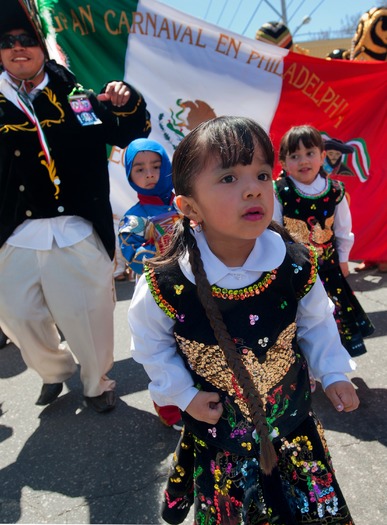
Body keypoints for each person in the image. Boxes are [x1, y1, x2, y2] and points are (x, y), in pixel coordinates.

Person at [128, 116, 359, 524]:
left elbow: (317, 323)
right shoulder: (166, 280)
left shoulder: (294, 263)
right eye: (229, 177)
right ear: (189, 206)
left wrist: (335, 371)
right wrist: (183, 396)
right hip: (221, 438)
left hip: (292, 428)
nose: (253, 187)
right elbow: (151, 344)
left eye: (262, 174)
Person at [0, 0, 151, 412]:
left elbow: (130, 133)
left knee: (90, 315)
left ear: (41, 47)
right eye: (8, 41)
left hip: (77, 227)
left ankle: (96, 382)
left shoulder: (77, 96)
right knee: (16, 315)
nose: (18, 48)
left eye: (27, 39)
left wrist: (127, 99)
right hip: (16, 232)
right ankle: (54, 370)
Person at [273, 125, 374, 357]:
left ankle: (334, 361)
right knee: (300, 318)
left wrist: (344, 260)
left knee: (333, 315)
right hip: (295, 272)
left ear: (322, 156)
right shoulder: (280, 191)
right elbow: (274, 231)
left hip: (329, 270)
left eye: (309, 153)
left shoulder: (335, 190)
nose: (303, 161)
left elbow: (342, 229)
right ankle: (306, 363)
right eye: (294, 156)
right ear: (284, 162)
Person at [118, 138, 182, 430]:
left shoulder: (186, 200)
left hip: (197, 287)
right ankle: (170, 410)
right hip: (158, 295)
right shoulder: (132, 219)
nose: (149, 174)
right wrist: (161, 248)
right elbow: (135, 259)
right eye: (139, 169)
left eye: (156, 166)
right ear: (130, 175)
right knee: (162, 353)